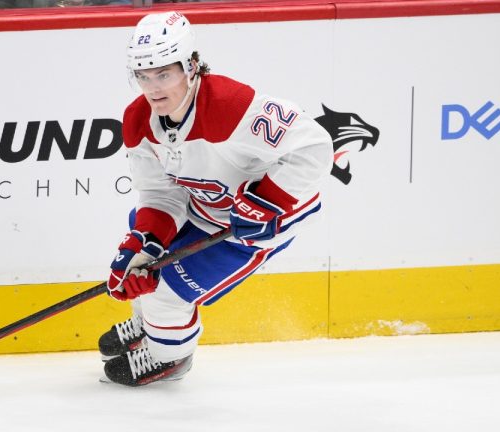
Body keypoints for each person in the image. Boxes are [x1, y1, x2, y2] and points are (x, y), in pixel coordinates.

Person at [99, 11, 333, 386]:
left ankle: (168, 357)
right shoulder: (138, 119)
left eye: (164, 73)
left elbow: (316, 146)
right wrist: (142, 248)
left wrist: (266, 201)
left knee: (167, 293)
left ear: (191, 66)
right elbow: (160, 192)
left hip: (256, 223)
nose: (153, 88)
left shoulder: (231, 105)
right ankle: (151, 323)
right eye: (143, 76)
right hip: (205, 205)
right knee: (145, 257)